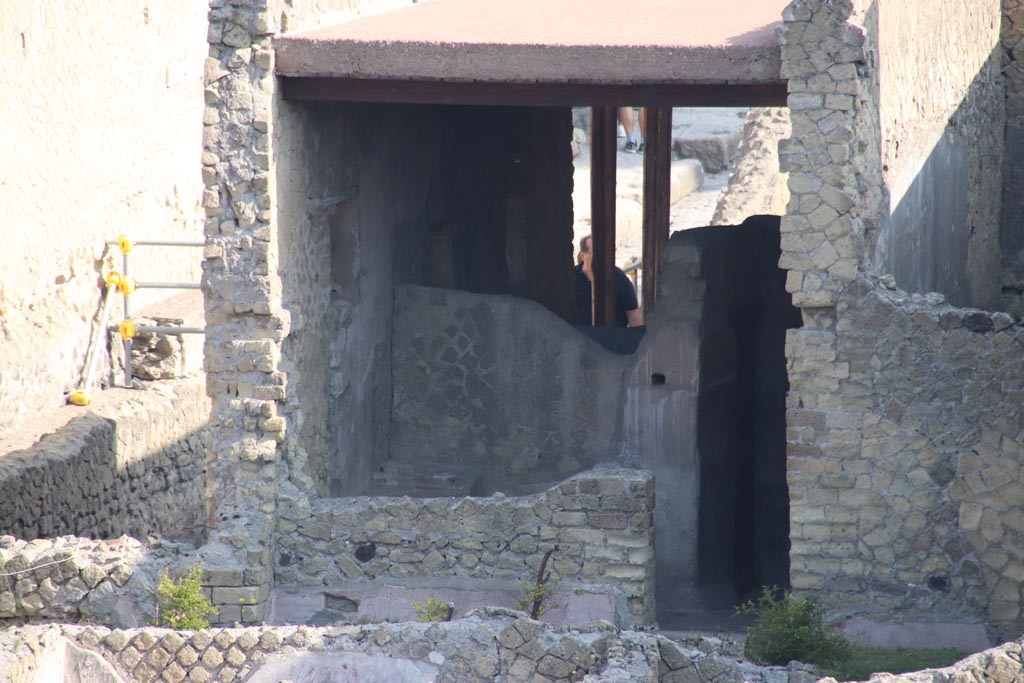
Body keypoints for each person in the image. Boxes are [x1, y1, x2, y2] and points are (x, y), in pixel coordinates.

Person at [575, 235, 644, 327]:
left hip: (613, 334)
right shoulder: (573, 278)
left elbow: (633, 313)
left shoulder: (619, 278)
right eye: (595, 253)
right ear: (582, 256)